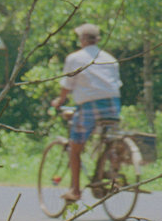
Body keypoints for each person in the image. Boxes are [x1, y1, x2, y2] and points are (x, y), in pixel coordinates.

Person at [50, 22, 122, 202]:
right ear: (97, 40)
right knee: (108, 139)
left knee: (75, 148)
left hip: (90, 107)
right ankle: (114, 166)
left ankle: (75, 190)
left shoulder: (74, 58)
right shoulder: (110, 58)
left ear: (82, 40)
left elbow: (67, 86)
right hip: (113, 105)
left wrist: (59, 101)